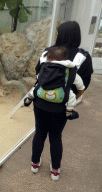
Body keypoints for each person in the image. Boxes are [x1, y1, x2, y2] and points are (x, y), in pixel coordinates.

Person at [30, 21, 93, 181]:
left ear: (61, 35)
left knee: (40, 133)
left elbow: (37, 74)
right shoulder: (83, 57)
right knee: (56, 136)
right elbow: (84, 83)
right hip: (62, 106)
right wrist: (73, 99)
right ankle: (55, 170)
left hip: (40, 103)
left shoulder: (47, 53)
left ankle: (35, 164)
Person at [24, 46, 85, 120]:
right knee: (71, 96)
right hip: (60, 99)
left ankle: (28, 99)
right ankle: (69, 112)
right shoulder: (70, 70)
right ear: (66, 58)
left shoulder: (45, 66)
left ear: (48, 57)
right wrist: (81, 89)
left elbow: (39, 77)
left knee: (36, 87)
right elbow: (80, 86)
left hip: (41, 97)